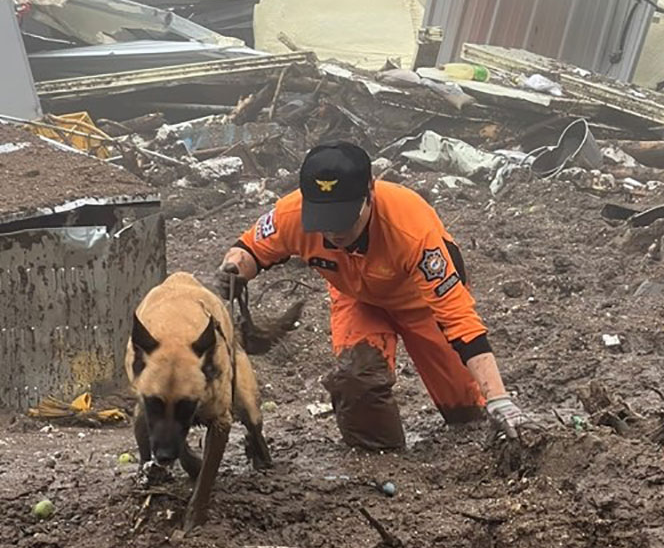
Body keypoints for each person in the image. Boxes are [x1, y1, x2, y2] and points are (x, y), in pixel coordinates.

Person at [217, 140, 536, 450]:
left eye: (344, 220)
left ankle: (474, 417)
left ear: (370, 191)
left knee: (468, 412)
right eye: (324, 223)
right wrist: (234, 271)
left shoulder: (411, 230)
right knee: (358, 383)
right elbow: (248, 249)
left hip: (421, 303)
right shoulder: (291, 215)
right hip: (357, 299)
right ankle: (380, 456)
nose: (334, 233)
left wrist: (499, 398)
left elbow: (461, 320)